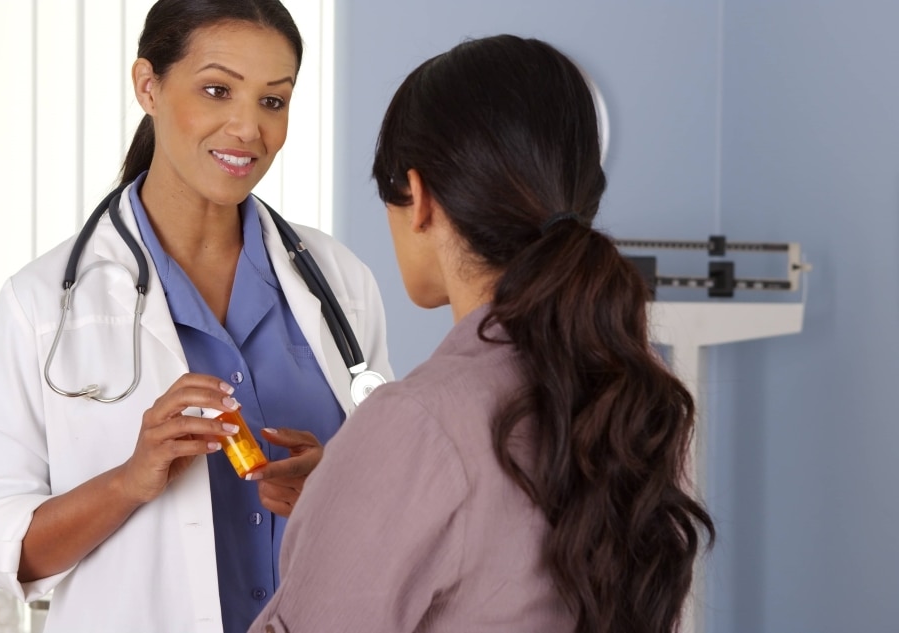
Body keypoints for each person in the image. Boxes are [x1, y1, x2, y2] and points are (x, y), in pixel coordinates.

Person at [250, 34, 714, 633]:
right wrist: (356, 496)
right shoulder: (639, 395)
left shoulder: (415, 422)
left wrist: (368, 485)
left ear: (418, 199)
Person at [0, 1, 392, 631]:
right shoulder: (43, 304)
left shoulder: (340, 283)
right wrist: (130, 481)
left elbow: (398, 510)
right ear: (147, 86)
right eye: (217, 90)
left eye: (274, 101)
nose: (248, 127)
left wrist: (336, 492)